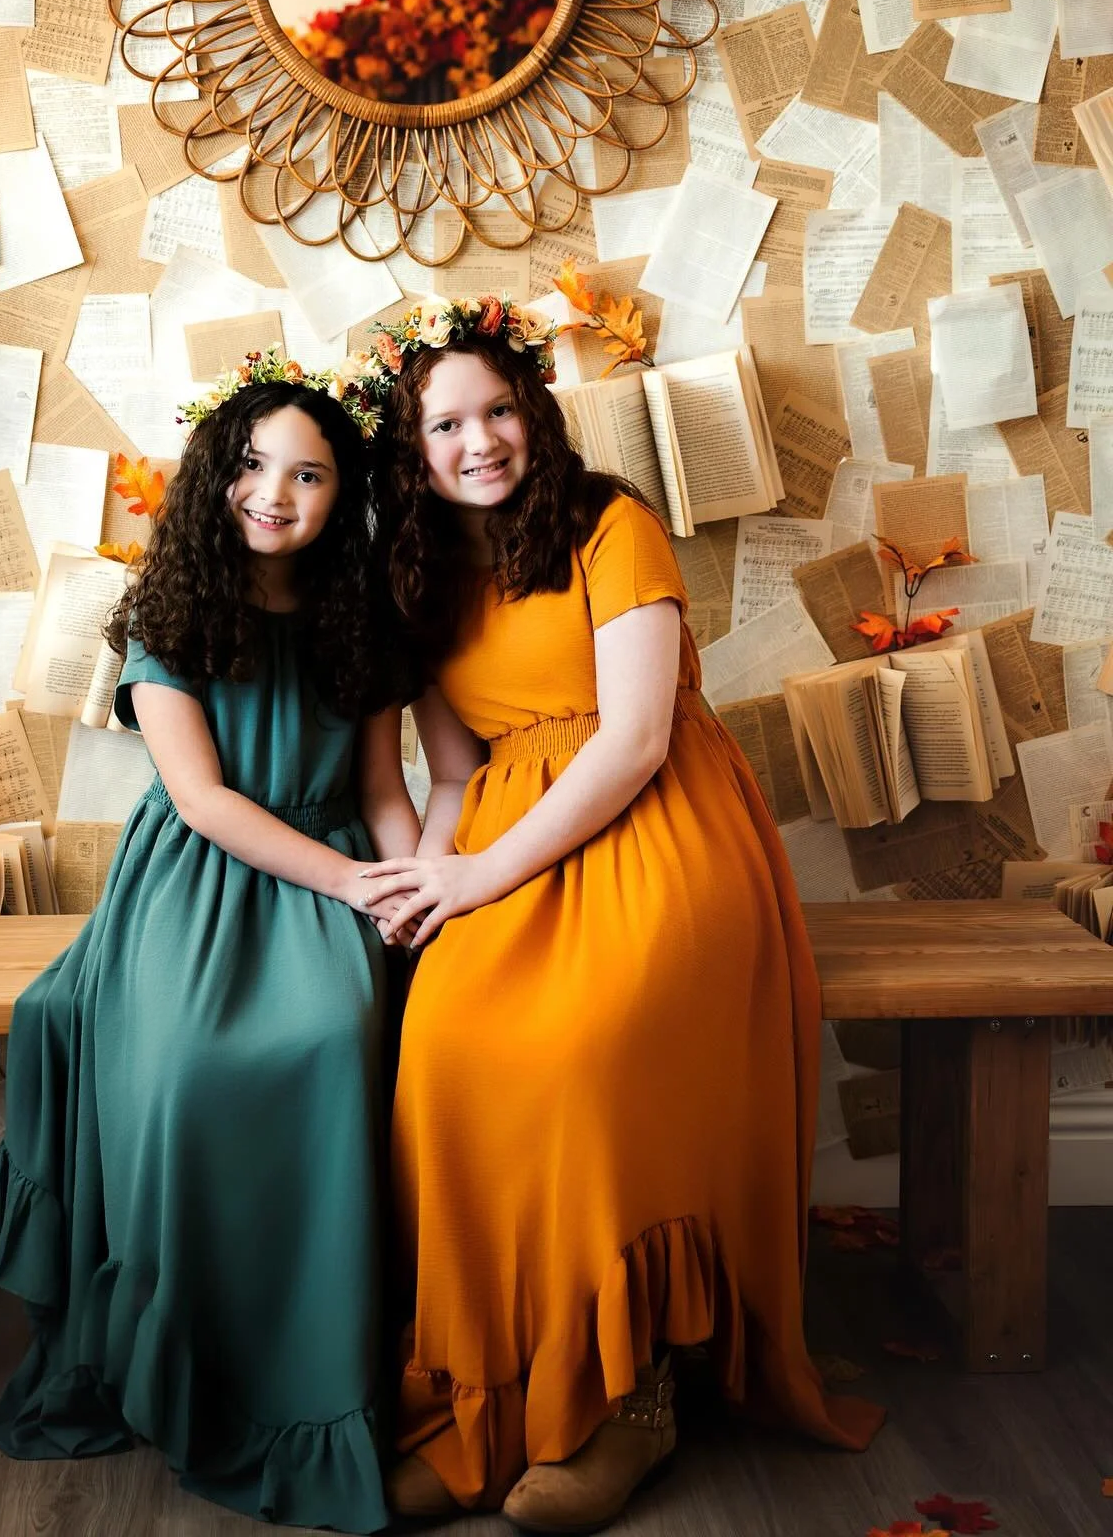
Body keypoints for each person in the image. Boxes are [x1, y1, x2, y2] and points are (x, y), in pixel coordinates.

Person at [355, 300, 885, 1533]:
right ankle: (483, 1402)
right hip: (504, 834)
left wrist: (483, 877)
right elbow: (448, 772)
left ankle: (625, 1398)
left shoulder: (609, 522)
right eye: (447, 423)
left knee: (588, 1048)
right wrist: (423, 894)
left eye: (497, 410)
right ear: (413, 445)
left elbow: (638, 738)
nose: (478, 440)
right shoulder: (417, 570)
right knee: (438, 1046)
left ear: (532, 412)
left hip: (660, 825)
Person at [0, 353, 420, 1533]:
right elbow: (204, 798)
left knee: (340, 1036)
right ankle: (190, 1346)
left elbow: (382, 788)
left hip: (336, 870)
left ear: (345, 496)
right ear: (215, 475)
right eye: (253, 463)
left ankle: (321, 1351)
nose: (275, 492)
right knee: (186, 1073)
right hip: (204, 876)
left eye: (311, 474)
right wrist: (347, 881)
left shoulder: (360, 615)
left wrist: (409, 884)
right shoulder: (168, 612)